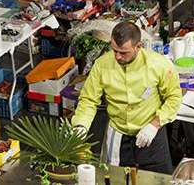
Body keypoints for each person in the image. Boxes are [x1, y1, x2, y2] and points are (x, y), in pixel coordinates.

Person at [72, 21, 182, 174]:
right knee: (117, 179)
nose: (117, 56)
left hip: (151, 134)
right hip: (118, 136)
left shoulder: (159, 65)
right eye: (114, 50)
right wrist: (80, 125)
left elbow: (174, 98)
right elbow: (89, 100)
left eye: (123, 52)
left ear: (138, 46)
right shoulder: (102, 65)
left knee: (158, 180)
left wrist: (155, 124)